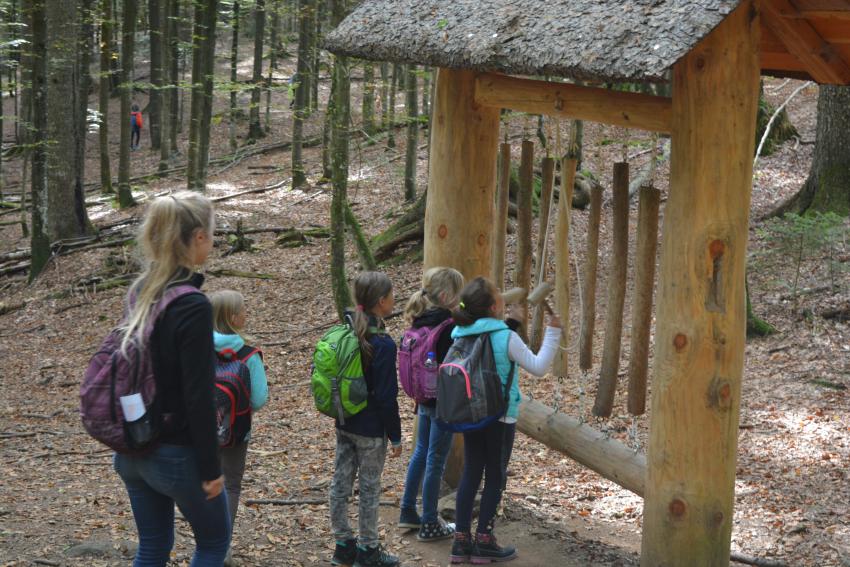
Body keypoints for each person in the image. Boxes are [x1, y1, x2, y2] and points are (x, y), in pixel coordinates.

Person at [112, 191, 231, 566]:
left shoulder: (140, 292)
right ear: (197, 237)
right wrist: (211, 470)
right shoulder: (193, 306)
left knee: (152, 547)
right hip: (177, 455)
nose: (212, 242)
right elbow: (199, 396)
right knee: (213, 545)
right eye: (211, 234)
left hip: (133, 449)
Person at [448, 277, 561, 565]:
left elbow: (490, 344)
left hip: (471, 414)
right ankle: (484, 540)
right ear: (495, 306)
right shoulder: (505, 337)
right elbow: (537, 366)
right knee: (496, 475)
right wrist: (553, 334)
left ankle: (461, 541)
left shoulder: (460, 333)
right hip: (500, 416)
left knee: (472, 471)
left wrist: (511, 322)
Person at [330, 272, 403, 567]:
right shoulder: (383, 344)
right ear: (382, 302)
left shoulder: (345, 333)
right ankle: (368, 550)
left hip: (344, 423)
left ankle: (342, 545)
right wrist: (396, 435)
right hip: (372, 430)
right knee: (370, 488)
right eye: (392, 295)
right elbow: (386, 397)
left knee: (340, 483)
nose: (394, 300)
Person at [398, 267, 465, 541]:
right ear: (447, 295)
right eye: (458, 294)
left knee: (421, 453)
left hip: (424, 398)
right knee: (436, 460)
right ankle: (429, 523)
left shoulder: (420, 320)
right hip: (442, 401)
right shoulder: (448, 327)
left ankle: (407, 512)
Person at [210, 290, 269, 567]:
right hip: (236, 432)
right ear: (233, 317)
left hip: (199, 431)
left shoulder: (196, 347)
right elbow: (259, 398)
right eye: (244, 309)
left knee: (205, 483)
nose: (247, 313)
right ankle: (221, 549)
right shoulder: (247, 354)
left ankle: (205, 543)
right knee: (230, 485)